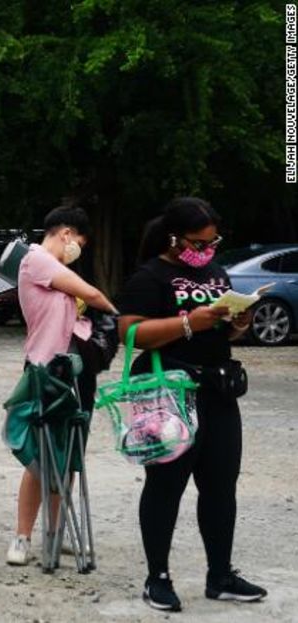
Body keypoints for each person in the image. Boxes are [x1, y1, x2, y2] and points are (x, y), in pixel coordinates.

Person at [116, 197, 267, 612]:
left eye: (212, 241)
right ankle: (157, 577)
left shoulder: (215, 272)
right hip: (166, 393)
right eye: (198, 242)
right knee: (165, 486)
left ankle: (220, 574)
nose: (206, 249)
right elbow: (129, 333)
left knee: (221, 486)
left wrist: (237, 324)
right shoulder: (150, 277)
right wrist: (187, 323)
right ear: (174, 237)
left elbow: (218, 331)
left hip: (217, 393)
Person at [5, 206, 117, 566]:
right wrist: (120, 318)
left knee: (68, 454)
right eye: (79, 242)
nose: (78, 250)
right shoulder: (37, 261)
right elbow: (94, 296)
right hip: (45, 366)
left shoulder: (59, 269)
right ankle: (22, 536)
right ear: (66, 233)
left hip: (75, 367)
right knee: (40, 455)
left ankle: (55, 533)